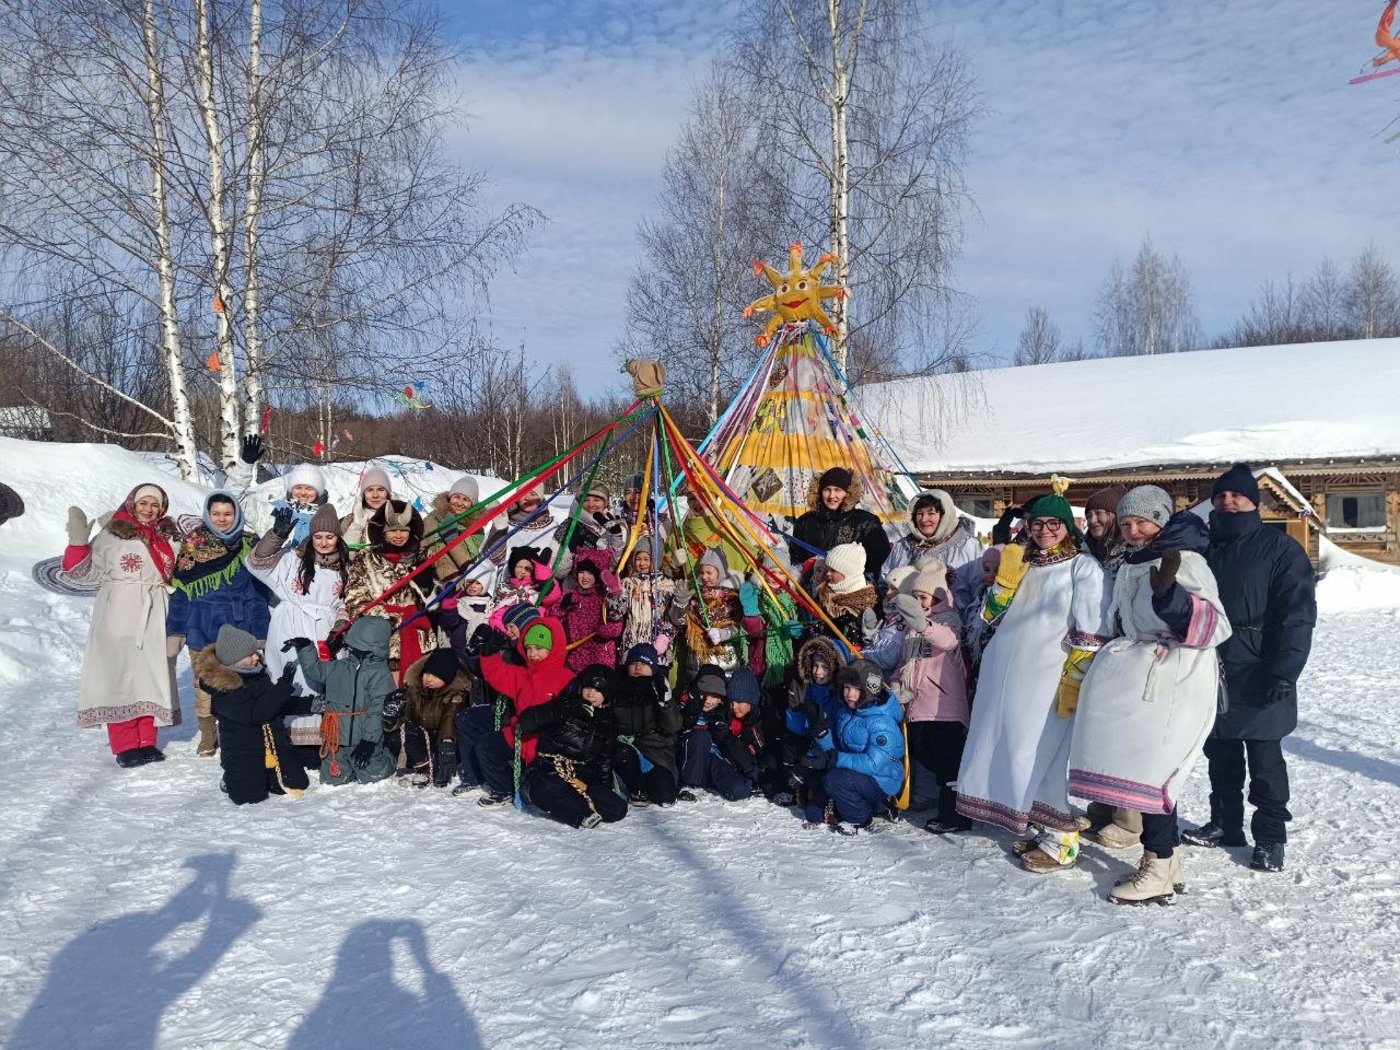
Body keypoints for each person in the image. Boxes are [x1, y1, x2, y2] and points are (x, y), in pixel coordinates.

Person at [1067, 486, 1232, 904]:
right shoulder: (1133, 560)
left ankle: (1156, 865)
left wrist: (1171, 599)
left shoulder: (1185, 560)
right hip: (1140, 678)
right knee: (1145, 775)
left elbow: (1215, 625)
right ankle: (1167, 862)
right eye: (1126, 523)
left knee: (1155, 773)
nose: (1133, 530)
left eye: (1142, 522)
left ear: (1160, 520)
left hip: (1174, 677)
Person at [955, 483, 1111, 873]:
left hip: (1048, 678)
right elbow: (990, 617)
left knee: (1041, 754)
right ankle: (1041, 827)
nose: (1044, 531)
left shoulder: (1082, 567)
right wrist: (1005, 583)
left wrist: (1075, 678)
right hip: (1004, 676)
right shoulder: (1022, 561)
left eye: (1053, 524)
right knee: (1011, 750)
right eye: (1037, 524)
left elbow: (1092, 628)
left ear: (1067, 527)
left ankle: (1063, 839)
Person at [1181, 464, 1316, 873]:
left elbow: (1297, 614)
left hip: (1260, 662)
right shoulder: (1204, 546)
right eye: (1221, 496)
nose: (1228, 502)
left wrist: (1284, 670)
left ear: (1254, 503)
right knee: (1219, 751)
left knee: (1264, 757)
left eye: (1237, 495)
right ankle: (1226, 823)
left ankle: (1271, 836)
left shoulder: (1279, 548)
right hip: (1211, 660)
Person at [64, 484, 181, 767]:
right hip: (118, 610)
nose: (149, 509)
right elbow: (81, 574)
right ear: (132, 504)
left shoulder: (168, 536)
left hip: (155, 610)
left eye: (155, 504)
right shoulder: (112, 534)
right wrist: (78, 543)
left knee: (150, 675)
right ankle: (125, 745)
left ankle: (147, 741)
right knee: (120, 676)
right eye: (144, 503)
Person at [167, 491, 272, 757]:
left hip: (239, 626)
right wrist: (176, 630)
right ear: (207, 515)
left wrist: (260, 630)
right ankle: (208, 733)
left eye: (228, 514)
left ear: (237, 515)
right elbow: (181, 594)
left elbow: (258, 592)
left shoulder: (249, 545)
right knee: (204, 684)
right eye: (216, 514)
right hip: (201, 625)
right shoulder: (192, 547)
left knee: (242, 681)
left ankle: (235, 729)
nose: (222, 519)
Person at [872, 560, 972, 834]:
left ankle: (955, 815)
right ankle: (937, 800)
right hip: (918, 704)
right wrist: (895, 684)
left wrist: (923, 624)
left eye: (923, 598)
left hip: (944, 707)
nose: (917, 603)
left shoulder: (948, 620)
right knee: (924, 753)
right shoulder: (910, 627)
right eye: (914, 597)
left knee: (948, 763)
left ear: (937, 598)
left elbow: (946, 640)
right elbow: (905, 662)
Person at [246, 503, 349, 763]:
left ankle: (321, 739)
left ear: (337, 538)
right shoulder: (293, 559)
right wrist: (276, 536)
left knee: (321, 682)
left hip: (325, 631)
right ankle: (288, 740)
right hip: (290, 626)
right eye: (318, 536)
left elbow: (346, 603)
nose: (323, 542)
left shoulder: (345, 566)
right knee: (291, 680)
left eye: (329, 537)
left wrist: (340, 627)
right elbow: (258, 564)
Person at [1076, 483, 1142, 851]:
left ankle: (1128, 818)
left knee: (1124, 736)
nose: (1094, 519)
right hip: (1097, 652)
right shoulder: (1090, 553)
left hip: (1127, 651)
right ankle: (1101, 806)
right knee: (1098, 732)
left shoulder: (1130, 556)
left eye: (1102, 512)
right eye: (1090, 514)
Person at [195, 625, 315, 805]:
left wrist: (311, 704)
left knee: (297, 783)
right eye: (250, 654)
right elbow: (257, 713)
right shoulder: (224, 689)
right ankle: (230, 779)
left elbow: (275, 705)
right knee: (249, 796)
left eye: (255, 652)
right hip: (243, 750)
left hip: (272, 743)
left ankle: (266, 774)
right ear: (234, 660)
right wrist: (284, 685)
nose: (256, 657)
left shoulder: (256, 673)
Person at [474, 617, 574, 807]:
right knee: (485, 746)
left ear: (552, 648)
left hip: (547, 744)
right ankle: (503, 789)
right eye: (529, 648)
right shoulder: (522, 675)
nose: (533, 654)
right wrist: (489, 654)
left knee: (539, 787)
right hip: (519, 736)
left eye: (539, 648)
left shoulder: (566, 678)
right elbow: (498, 673)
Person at [797, 659, 905, 833]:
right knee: (813, 813)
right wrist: (823, 735)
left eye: (857, 689)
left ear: (869, 690)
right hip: (852, 774)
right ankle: (874, 806)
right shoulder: (847, 712)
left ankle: (860, 818)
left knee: (834, 781)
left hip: (880, 779)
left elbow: (874, 764)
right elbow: (838, 747)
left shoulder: (882, 722)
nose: (850, 694)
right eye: (847, 688)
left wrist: (835, 759)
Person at [290, 618, 396, 786]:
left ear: (372, 648)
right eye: (351, 644)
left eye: (356, 645)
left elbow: (378, 709)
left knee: (373, 777)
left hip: (362, 738)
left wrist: (369, 741)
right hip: (335, 739)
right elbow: (315, 670)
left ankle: (387, 757)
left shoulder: (379, 674)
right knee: (333, 780)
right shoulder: (339, 667)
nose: (351, 648)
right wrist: (305, 648)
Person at [519, 664, 627, 829]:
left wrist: (603, 791)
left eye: (598, 691)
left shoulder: (607, 722)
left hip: (582, 776)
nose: (591, 694)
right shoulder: (564, 706)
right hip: (548, 770)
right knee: (544, 788)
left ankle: (579, 805)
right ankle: (582, 813)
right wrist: (562, 708)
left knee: (617, 808)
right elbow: (526, 723)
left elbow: (604, 761)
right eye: (588, 688)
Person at [344, 499, 431, 679]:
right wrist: (386, 618)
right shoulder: (366, 558)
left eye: (403, 530)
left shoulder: (421, 558)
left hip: (418, 639)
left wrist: (422, 581)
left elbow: (432, 599)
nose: (398, 535)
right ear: (383, 533)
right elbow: (354, 598)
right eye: (392, 530)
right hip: (382, 640)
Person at [611, 643, 687, 806]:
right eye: (633, 663)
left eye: (644, 663)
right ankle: (636, 789)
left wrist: (665, 704)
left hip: (655, 753)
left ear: (653, 668)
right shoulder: (617, 687)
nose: (638, 667)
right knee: (622, 754)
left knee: (665, 797)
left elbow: (673, 727)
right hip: (626, 750)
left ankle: (651, 784)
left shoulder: (659, 687)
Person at [384, 647, 471, 788]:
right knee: (401, 732)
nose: (429, 679)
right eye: (427, 673)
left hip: (446, 738)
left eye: (436, 676)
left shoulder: (457, 694)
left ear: (447, 679)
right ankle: (422, 764)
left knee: (449, 744)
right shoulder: (414, 687)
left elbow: (449, 717)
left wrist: (447, 744)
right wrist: (392, 715)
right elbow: (406, 716)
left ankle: (440, 763)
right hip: (423, 735)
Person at [679, 666, 766, 801]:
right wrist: (690, 714)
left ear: (722, 699)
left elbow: (735, 740)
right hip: (690, 762)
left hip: (715, 759)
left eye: (714, 696)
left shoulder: (726, 715)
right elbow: (675, 728)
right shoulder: (685, 706)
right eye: (703, 694)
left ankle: (722, 783)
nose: (707, 700)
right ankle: (691, 785)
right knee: (701, 736)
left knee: (740, 789)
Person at [789, 467, 890, 582]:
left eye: (838, 490)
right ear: (819, 491)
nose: (832, 496)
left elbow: (879, 564)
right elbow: (797, 560)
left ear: (848, 492)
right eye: (827, 490)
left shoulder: (866, 523)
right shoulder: (804, 522)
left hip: (850, 588)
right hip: (812, 587)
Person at [546, 548, 623, 671]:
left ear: (597, 576)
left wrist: (603, 630)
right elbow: (551, 619)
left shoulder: (604, 598)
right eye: (581, 572)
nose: (585, 577)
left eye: (590, 573)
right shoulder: (568, 596)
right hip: (574, 657)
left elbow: (616, 627)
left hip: (599, 656)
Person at [881, 489, 982, 577]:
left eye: (931, 513)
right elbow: (884, 581)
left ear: (945, 516)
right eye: (920, 513)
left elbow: (981, 586)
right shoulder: (903, 547)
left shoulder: (968, 547)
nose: (924, 519)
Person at [616, 547, 677, 666]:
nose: (642, 563)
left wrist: (665, 636)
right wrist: (614, 594)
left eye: (646, 559)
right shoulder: (628, 583)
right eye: (638, 559)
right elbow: (616, 614)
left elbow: (674, 618)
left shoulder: (667, 585)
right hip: (632, 644)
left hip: (657, 646)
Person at [422, 475, 485, 585]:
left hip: (459, 582)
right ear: (449, 497)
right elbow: (420, 542)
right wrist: (426, 551)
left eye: (466, 499)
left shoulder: (476, 528)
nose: (459, 503)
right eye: (456, 497)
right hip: (430, 578)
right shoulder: (432, 519)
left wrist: (452, 539)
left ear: (472, 504)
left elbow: (472, 560)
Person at [813, 542, 880, 643]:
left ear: (848, 572)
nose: (828, 574)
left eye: (833, 570)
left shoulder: (868, 602)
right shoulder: (824, 591)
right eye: (828, 569)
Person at [555, 484, 626, 554]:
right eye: (586, 500)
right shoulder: (569, 527)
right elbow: (556, 558)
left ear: (606, 504)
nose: (591, 505)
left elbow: (616, 558)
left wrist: (617, 536)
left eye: (596, 500)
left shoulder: (616, 526)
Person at [340, 465, 394, 548]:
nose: (375, 495)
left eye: (380, 490)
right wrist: (357, 526)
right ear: (363, 494)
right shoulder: (348, 522)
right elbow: (346, 552)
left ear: (387, 494)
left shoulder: (399, 519)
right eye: (370, 490)